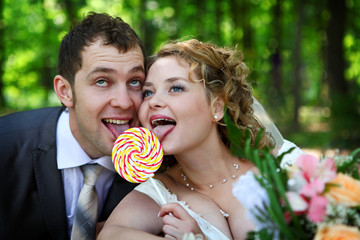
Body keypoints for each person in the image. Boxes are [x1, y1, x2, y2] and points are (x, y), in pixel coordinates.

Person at [97, 39, 303, 240]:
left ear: (217, 107)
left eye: (176, 88)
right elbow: (110, 234)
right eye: (148, 93)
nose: (154, 102)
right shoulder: (161, 190)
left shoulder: (283, 164)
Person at [0, 12, 146, 240]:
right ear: (65, 91)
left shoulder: (159, 166)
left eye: (134, 81)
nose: (125, 101)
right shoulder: (5, 146)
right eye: (102, 81)